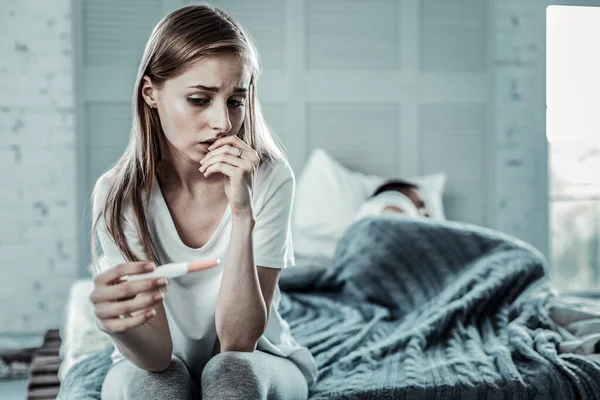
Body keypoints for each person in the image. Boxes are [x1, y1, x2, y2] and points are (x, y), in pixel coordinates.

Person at [88, 4, 316, 399]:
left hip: (262, 358)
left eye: (235, 100)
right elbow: (158, 356)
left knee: (230, 375)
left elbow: (238, 341)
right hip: (149, 362)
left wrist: (243, 214)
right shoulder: (119, 194)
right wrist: (117, 327)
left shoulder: (269, 178)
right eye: (199, 99)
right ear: (150, 94)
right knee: (159, 386)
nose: (223, 124)